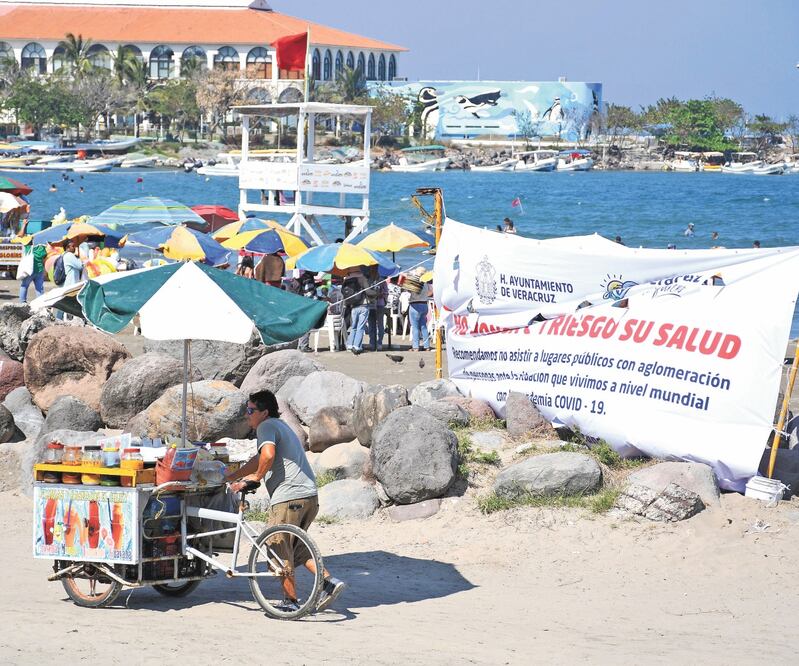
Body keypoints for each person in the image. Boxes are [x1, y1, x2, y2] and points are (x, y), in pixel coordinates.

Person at [227, 390, 346, 612]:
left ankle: (290, 602)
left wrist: (256, 478)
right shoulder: (281, 426)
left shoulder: (266, 426)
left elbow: (268, 456)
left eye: (251, 410)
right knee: (296, 547)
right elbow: (259, 458)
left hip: (289, 497)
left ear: (264, 412)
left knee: (277, 547)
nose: (247, 415)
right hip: (308, 496)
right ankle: (330, 583)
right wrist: (233, 476)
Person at [343, 266, 371, 354]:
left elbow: (343, 292)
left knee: (353, 326)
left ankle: (350, 345)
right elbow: (369, 292)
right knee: (360, 327)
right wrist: (376, 293)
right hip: (363, 305)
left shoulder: (346, 279)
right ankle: (357, 346)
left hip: (353, 306)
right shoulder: (362, 278)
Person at [55, 240, 84, 321]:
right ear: (67, 247)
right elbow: (79, 266)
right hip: (70, 283)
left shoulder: (64, 255)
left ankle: (60, 319)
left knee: (64, 303)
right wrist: (79, 259)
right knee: (67, 303)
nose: (74, 247)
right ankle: (60, 319)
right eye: (72, 246)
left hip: (67, 284)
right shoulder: (69, 256)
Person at [408, 273, 432, 351]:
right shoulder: (425, 283)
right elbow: (429, 292)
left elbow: (410, 291)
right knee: (423, 326)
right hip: (424, 304)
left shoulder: (415, 283)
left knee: (415, 326)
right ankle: (426, 346)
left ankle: (415, 346)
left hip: (415, 304)